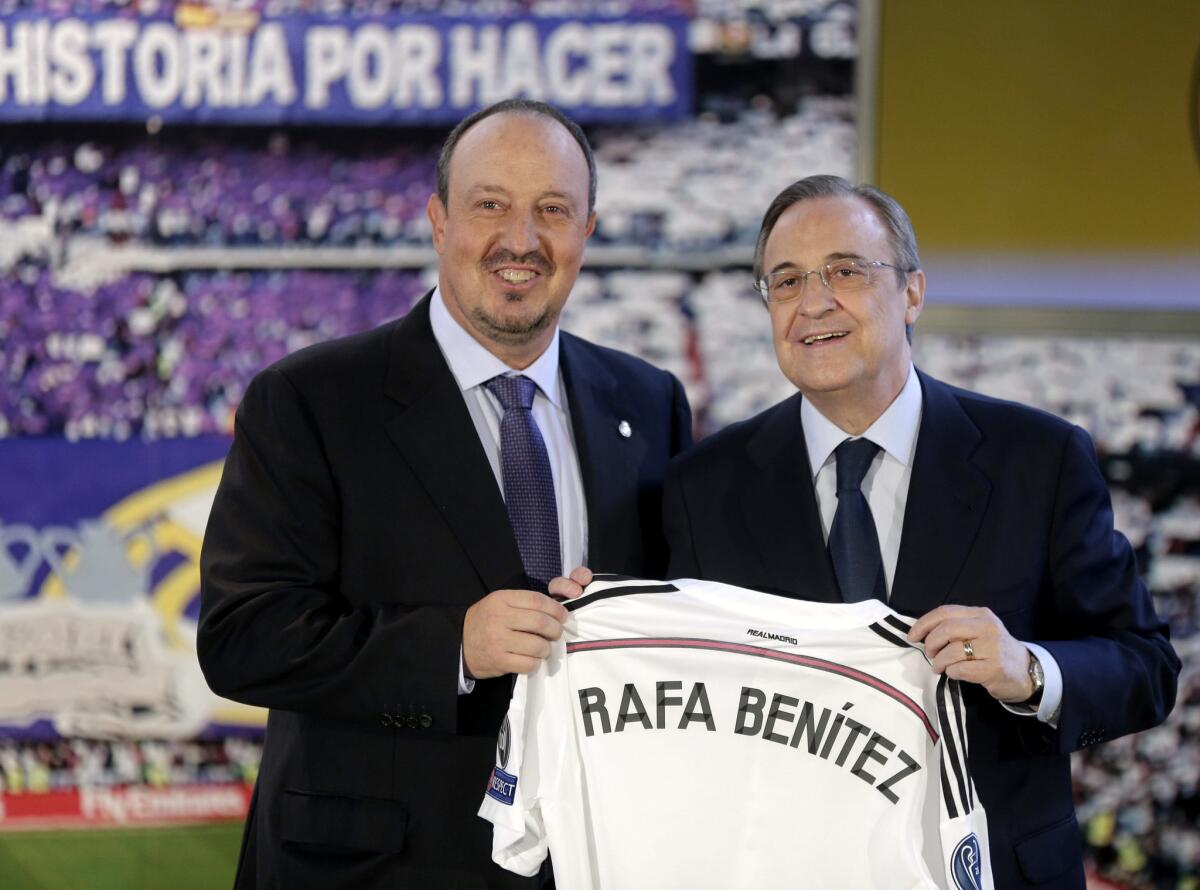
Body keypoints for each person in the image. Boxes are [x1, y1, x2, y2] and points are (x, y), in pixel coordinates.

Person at [197, 99, 692, 890]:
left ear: (588, 232)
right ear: (438, 220)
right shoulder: (310, 398)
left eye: (553, 210)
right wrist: (453, 647)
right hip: (373, 868)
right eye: (490, 204)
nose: (521, 240)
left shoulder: (648, 400)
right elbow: (243, 638)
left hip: (588, 859)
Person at [655, 175, 1178, 888]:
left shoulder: (1037, 457)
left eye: (845, 270)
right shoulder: (703, 485)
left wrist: (1028, 670)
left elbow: (1145, 667)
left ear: (912, 292)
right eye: (785, 281)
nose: (813, 302)